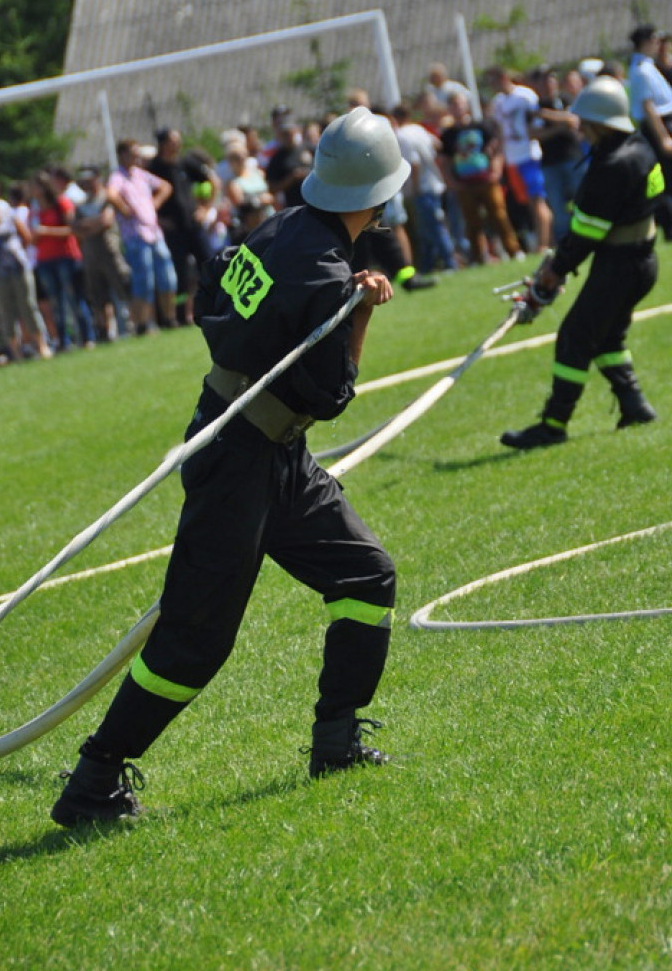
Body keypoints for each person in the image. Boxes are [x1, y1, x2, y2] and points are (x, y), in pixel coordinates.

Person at [50, 106, 411, 827]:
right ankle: (92, 783)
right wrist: (361, 309)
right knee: (195, 638)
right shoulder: (324, 274)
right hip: (242, 459)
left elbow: (206, 297)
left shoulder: (279, 227)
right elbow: (334, 394)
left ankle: (335, 742)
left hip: (270, 451)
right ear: (374, 196)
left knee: (365, 575)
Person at [500, 77, 663, 450]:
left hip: (619, 267)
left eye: (584, 122)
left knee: (574, 338)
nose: (580, 129)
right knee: (607, 336)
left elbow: (585, 236)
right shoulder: (640, 147)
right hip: (643, 261)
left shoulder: (609, 166)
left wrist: (551, 275)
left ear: (598, 123)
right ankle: (635, 405)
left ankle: (554, 425)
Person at [627, 24, 672, 240]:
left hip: (664, 124)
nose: (658, 44)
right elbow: (648, 107)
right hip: (656, 129)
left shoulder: (648, 66)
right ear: (645, 42)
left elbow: (662, 107)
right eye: (654, 40)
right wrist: (664, 137)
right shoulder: (639, 69)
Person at [439, 91, 523, 264]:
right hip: (464, 183)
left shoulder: (481, 127)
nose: (458, 108)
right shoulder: (448, 134)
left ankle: (514, 250)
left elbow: (497, 148)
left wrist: (497, 169)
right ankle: (479, 256)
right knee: (472, 222)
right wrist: (451, 181)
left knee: (499, 216)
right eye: (454, 105)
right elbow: (444, 160)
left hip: (486, 179)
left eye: (460, 104)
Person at [107, 138, 178, 334]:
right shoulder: (118, 177)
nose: (136, 157)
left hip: (154, 232)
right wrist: (124, 209)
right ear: (122, 155)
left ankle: (170, 318)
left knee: (167, 278)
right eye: (132, 153)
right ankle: (141, 323)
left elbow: (165, 186)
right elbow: (111, 194)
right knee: (143, 281)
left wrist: (154, 203)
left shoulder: (140, 174)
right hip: (135, 236)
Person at [0, 180, 53, 361]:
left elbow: (26, 236)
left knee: (28, 305)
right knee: (6, 311)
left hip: (17, 266)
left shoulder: (7, 212)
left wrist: (15, 252)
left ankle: (41, 344)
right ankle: (16, 351)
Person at [149, 128, 214, 325]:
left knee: (209, 262)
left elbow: (212, 181)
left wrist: (205, 208)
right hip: (173, 231)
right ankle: (180, 316)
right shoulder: (154, 169)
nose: (178, 144)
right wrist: (158, 219)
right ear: (163, 144)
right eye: (173, 141)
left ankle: (216, 302)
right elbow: (145, 198)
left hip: (193, 226)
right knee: (180, 273)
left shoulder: (185, 163)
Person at [487, 66, 553, 252]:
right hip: (512, 158)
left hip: (528, 154)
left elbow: (536, 122)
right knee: (528, 202)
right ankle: (543, 239)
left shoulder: (525, 95)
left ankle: (544, 243)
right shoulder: (498, 103)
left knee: (537, 199)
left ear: (502, 77)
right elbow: (500, 131)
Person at [31, 172, 96, 351]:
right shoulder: (35, 209)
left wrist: (46, 231)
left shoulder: (62, 204)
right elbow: (32, 237)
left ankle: (87, 336)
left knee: (74, 298)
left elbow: (72, 230)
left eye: (35, 186)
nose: (33, 190)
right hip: (44, 259)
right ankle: (64, 341)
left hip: (66, 257)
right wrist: (35, 235)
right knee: (55, 303)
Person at [390, 101, 458, 274]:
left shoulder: (402, 136)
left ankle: (451, 262)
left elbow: (414, 163)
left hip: (422, 187)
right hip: (434, 182)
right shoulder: (419, 129)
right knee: (426, 228)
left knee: (434, 226)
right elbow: (437, 144)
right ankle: (427, 266)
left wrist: (414, 186)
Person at [72, 167, 132, 341]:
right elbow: (76, 228)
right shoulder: (81, 204)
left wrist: (88, 225)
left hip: (110, 250)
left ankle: (128, 326)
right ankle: (104, 331)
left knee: (121, 287)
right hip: (90, 255)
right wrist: (94, 225)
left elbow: (107, 221)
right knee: (98, 295)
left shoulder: (106, 198)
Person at [530, 65, 586, 243]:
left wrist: (548, 115)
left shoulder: (564, 100)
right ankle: (565, 240)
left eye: (551, 79)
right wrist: (560, 126)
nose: (549, 84)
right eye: (544, 81)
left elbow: (574, 119)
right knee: (557, 205)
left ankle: (587, 233)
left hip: (573, 158)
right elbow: (534, 134)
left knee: (583, 198)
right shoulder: (534, 108)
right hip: (550, 163)